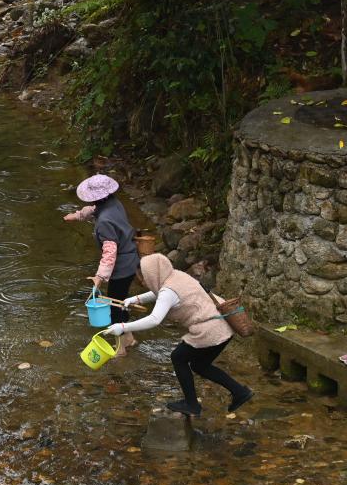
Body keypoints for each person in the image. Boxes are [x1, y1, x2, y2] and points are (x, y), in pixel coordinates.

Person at [104, 253, 253, 416]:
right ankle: (240, 392)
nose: (143, 281)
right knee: (199, 365)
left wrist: (123, 326)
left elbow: (155, 319)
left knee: (178, 357)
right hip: (223, 324)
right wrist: (135, 299)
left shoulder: (168, 290)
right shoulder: (176, 276)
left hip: (210, 329)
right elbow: (160, 293)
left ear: (154, 274)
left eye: (145, 276)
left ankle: (192, 404)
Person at [64, 173, 139, 355]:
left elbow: (110, 253)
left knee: (114, 308)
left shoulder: (105, 222)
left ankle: (120, 348)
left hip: (120, 267)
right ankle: (129, 338)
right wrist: (78, 215)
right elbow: (93, 210)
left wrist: (100, 277)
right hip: (131, 260)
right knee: (121, 302)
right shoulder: (115, 203)